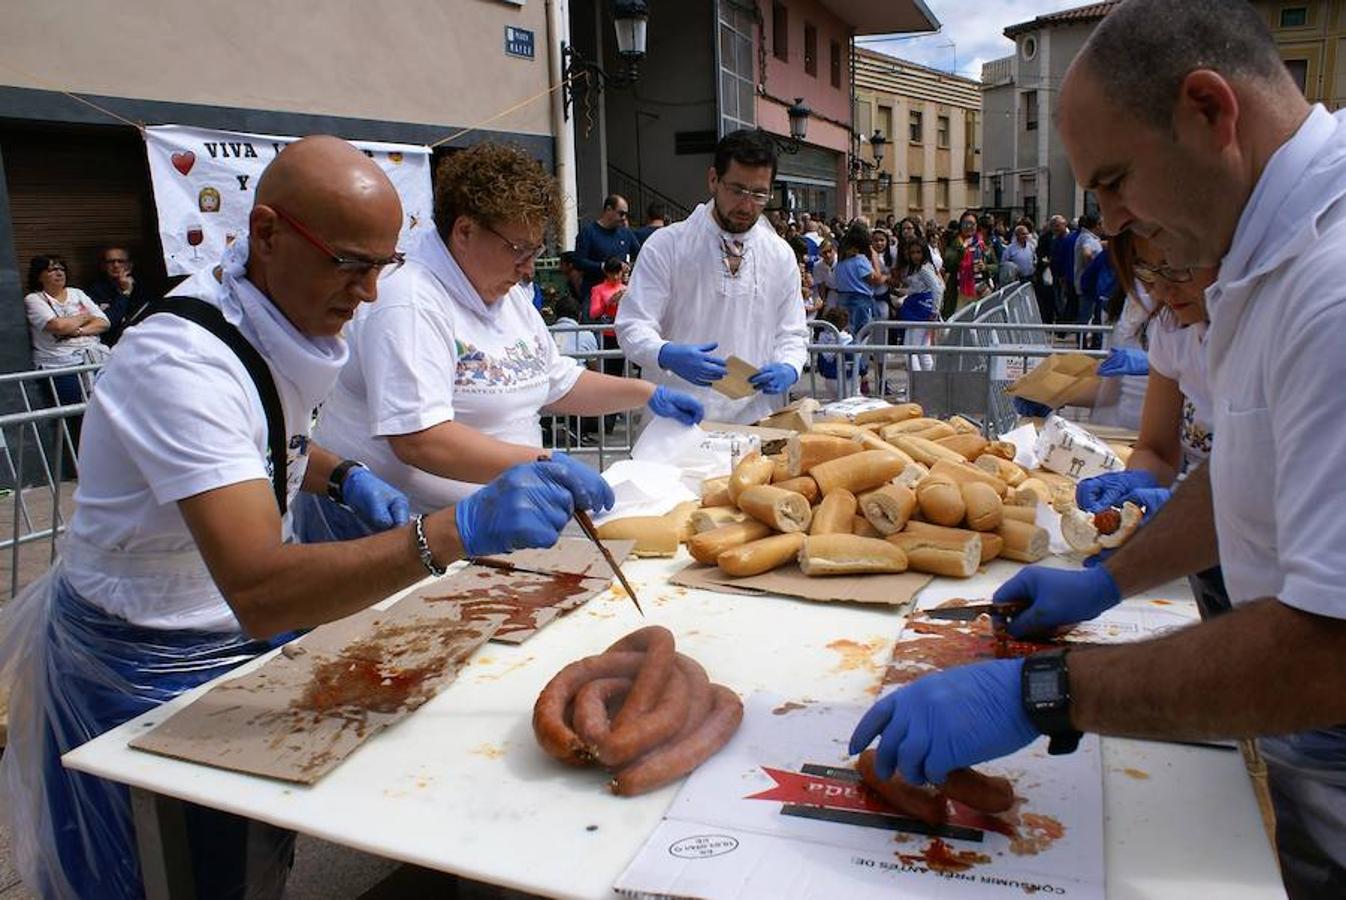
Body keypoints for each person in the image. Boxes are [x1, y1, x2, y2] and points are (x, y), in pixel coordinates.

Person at [0, 136, 615, 900]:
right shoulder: (181, 364)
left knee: (252, 861)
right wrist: (450, 534)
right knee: (163, 874)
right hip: (143, 659)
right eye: (349, 263)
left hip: (226, 640)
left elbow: (270, 435)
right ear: (265, 233)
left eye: (383, 265)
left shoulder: (288, 312)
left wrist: (341, 474)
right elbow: (259, 589)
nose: (367, 293)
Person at [850, 3, 1346, 895]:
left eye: (1115, 180)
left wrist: (1047, 692)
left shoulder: (1333, 286)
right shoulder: (1266, 257)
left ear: (1209, 110)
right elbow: (1248, 473)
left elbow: (1330, 648)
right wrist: (1114, 579)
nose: (1110, 222)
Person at [299, 142, 702, 535]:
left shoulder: (504, 293)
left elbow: (556, 382)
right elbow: (420, 439)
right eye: (518, 250)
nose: (528, 268)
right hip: (392, 527)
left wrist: (646, 393)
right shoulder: (410, 303)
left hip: (479, 522)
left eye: (535, 250)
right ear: (465, 231)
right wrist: (544, 460)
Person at [615, 129, 809, 424]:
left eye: (759, 194)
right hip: (676, 418)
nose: (746, 205)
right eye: (737, 190)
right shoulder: (668, 245)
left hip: (754, 419)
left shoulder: (779, 254)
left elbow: (792, 333)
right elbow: (632, 325)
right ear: (713, 180)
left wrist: (790, 367)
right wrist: (666, 353)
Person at [24, 254, 109, 407]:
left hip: (94, 357)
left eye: (61, 269)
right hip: (60, 364)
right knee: (76, 412)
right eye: (52, 269)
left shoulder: (77, 293)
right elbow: (58, 327)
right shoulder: (34, 299)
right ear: (39, 276)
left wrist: (78, 331)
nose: (59, 273)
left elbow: (103, 322)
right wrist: (86, 317)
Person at [573, 193, 638, 311]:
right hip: (594, 295)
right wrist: (603, 267)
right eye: (621, 213)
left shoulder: (625, 233)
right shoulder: (588, 232)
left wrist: (629, 268)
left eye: (626, 215)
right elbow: (578, 261)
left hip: (620, 296)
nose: (624, 218)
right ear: (608, 210)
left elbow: (640, 255)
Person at [85, 246, 154, 346]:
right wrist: (125, 293)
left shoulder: (143, 288)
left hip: (140, 341)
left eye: (120, 261)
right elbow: (106, 323)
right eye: (110, 262)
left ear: (129, 265)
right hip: (109, 344)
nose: (116, 265)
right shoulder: (95, 290)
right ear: (103, 266)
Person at [892, 237, 942, 372]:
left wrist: (934, 311)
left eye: (918, 252)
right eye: (912, 252)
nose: (915, 255)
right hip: (918, 307)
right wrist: (906, 291)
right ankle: (928, 382)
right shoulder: (920, 268)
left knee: (910, 350)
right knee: (922, 350)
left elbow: (938, 288)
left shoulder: (924, 269)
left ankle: (916, 385)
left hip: (920, 311)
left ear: (924, 252)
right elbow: (920, 287)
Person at [941, 210, 993, 316]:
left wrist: (985, 267)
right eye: (965, 223)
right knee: (959, 324)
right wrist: (963, 249)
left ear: (977, 225)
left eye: (972, 224)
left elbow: (997, 265)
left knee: (981, 324)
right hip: (960, 292)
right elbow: (948, 263)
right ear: (961, 225)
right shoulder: (955, 242)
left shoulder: (983, 244)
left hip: (981, 290)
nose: (969, 226)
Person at [812, 239, 837, 308]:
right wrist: (823, 300)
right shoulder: (818, 266)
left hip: (845, 293)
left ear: (834, 250)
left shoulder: (841, 261)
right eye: (824, 253)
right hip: (832, 292)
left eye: (829, 251)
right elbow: (821, 284)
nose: (828, 255)